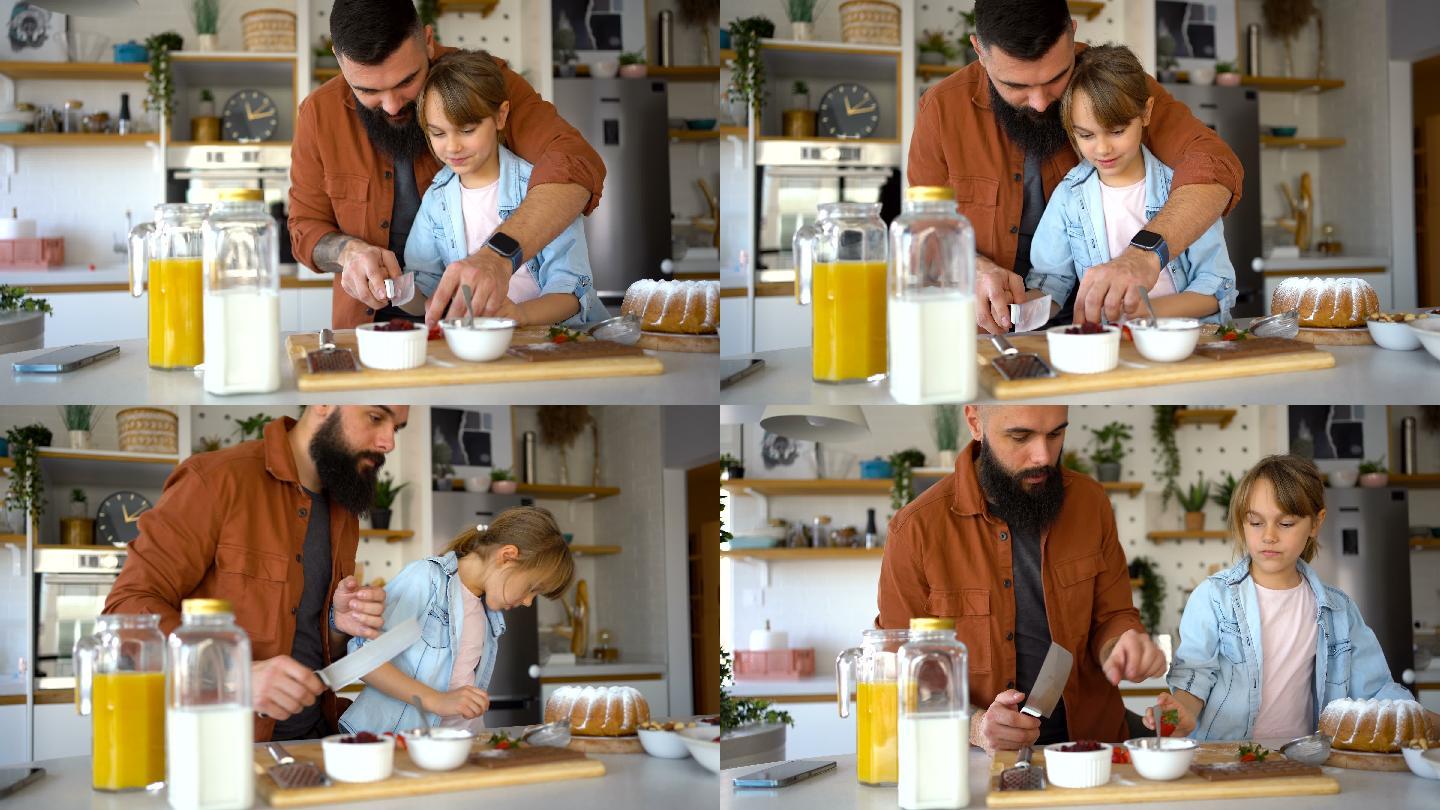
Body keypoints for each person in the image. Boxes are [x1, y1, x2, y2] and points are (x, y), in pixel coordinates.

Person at [907, 0, 1243, 332]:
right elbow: (925, 229)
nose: (1039, 104)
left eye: (1057, 77)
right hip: (993, 333)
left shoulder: (1113, 84)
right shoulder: (940, 110)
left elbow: (1213, 164)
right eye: (1015, 85)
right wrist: (974, 268)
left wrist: (1143, 255)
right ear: (979, 50)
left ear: (1072, 34)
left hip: (1101, 332)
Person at [290, 0, 606, 329]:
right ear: (341, 64)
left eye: (405, 82)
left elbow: (575, 161)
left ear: (427, 41)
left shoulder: (481, 84)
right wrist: (346, 251)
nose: (392, 105)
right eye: (367, 90)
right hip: (370, 329)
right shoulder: (319, 114)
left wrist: (498, 256)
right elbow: (305, 228)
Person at [104, 406, 410, 742]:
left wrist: (337, 624)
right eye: (376, 418)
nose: (388, 442)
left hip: (311, 742)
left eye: (398, 427)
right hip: (218, 748)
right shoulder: (214, 480)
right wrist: (236, 675)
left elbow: (307, 640)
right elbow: (126, 609)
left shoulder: (343, 509)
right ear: (324, 402)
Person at [878, 405, 1167, 753]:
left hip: (1094, 743)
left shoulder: (1091, 503)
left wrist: (1121, 646)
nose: (1043, 456)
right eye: (1020, 436)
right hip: (978, 758)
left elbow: (1113, 617)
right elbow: (899, 669)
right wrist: (975, 727)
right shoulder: (915, 530)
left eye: (1056, 434)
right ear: (974, 423)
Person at [1155, 455, 1440, 740]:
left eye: (1286, 523)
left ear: (1316, 523)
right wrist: (1179, 712)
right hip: (1226, 763)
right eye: (1255, 522)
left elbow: (1377, 692)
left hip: (1304, 761)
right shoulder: (1213, 598)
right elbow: (1194, 678)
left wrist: (1424, 719)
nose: (1268, 536)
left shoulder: (1338, 609)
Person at [1026, 44, 1236, 324]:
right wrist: (1017, 310)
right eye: (1086, 135)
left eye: (1116, 131)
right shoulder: (1069, 197)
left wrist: (1146, 311)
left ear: (1146, 112)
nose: (1102, 149)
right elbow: (1050, 283)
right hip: (1115, 350)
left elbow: (1217, 287)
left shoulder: (1182, 191)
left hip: (1189, 345)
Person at [402, 50, 606, 327]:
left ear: (500, 116)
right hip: (483, 348)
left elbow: (573, 291)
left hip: (553, 341)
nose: (452, 147)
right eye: (438, 133)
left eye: (466, 130)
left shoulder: (540, 192)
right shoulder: (436, 200)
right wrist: (391, 289)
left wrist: (519, 317)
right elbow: (424, 287)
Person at [340, 507, 575, 733]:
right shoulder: (427, 578)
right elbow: (363, 660)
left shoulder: (488, 613)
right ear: (508, 556)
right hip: (399, 745)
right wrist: (436, 700)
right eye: (531, 588)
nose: (527, 602)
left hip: (456, 747)